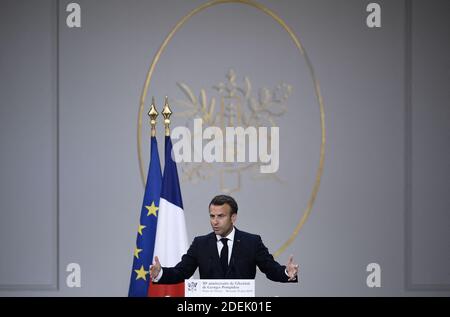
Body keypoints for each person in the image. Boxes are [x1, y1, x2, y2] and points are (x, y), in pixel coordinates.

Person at [150, 195, 299, 283]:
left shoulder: (252, 242)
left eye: (220, 216)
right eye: (212, 216)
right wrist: (160, 273)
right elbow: (181, 272)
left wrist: (286, 272)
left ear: (233, 217)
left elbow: (270, 269)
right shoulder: (200, 244)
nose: (215, 221)